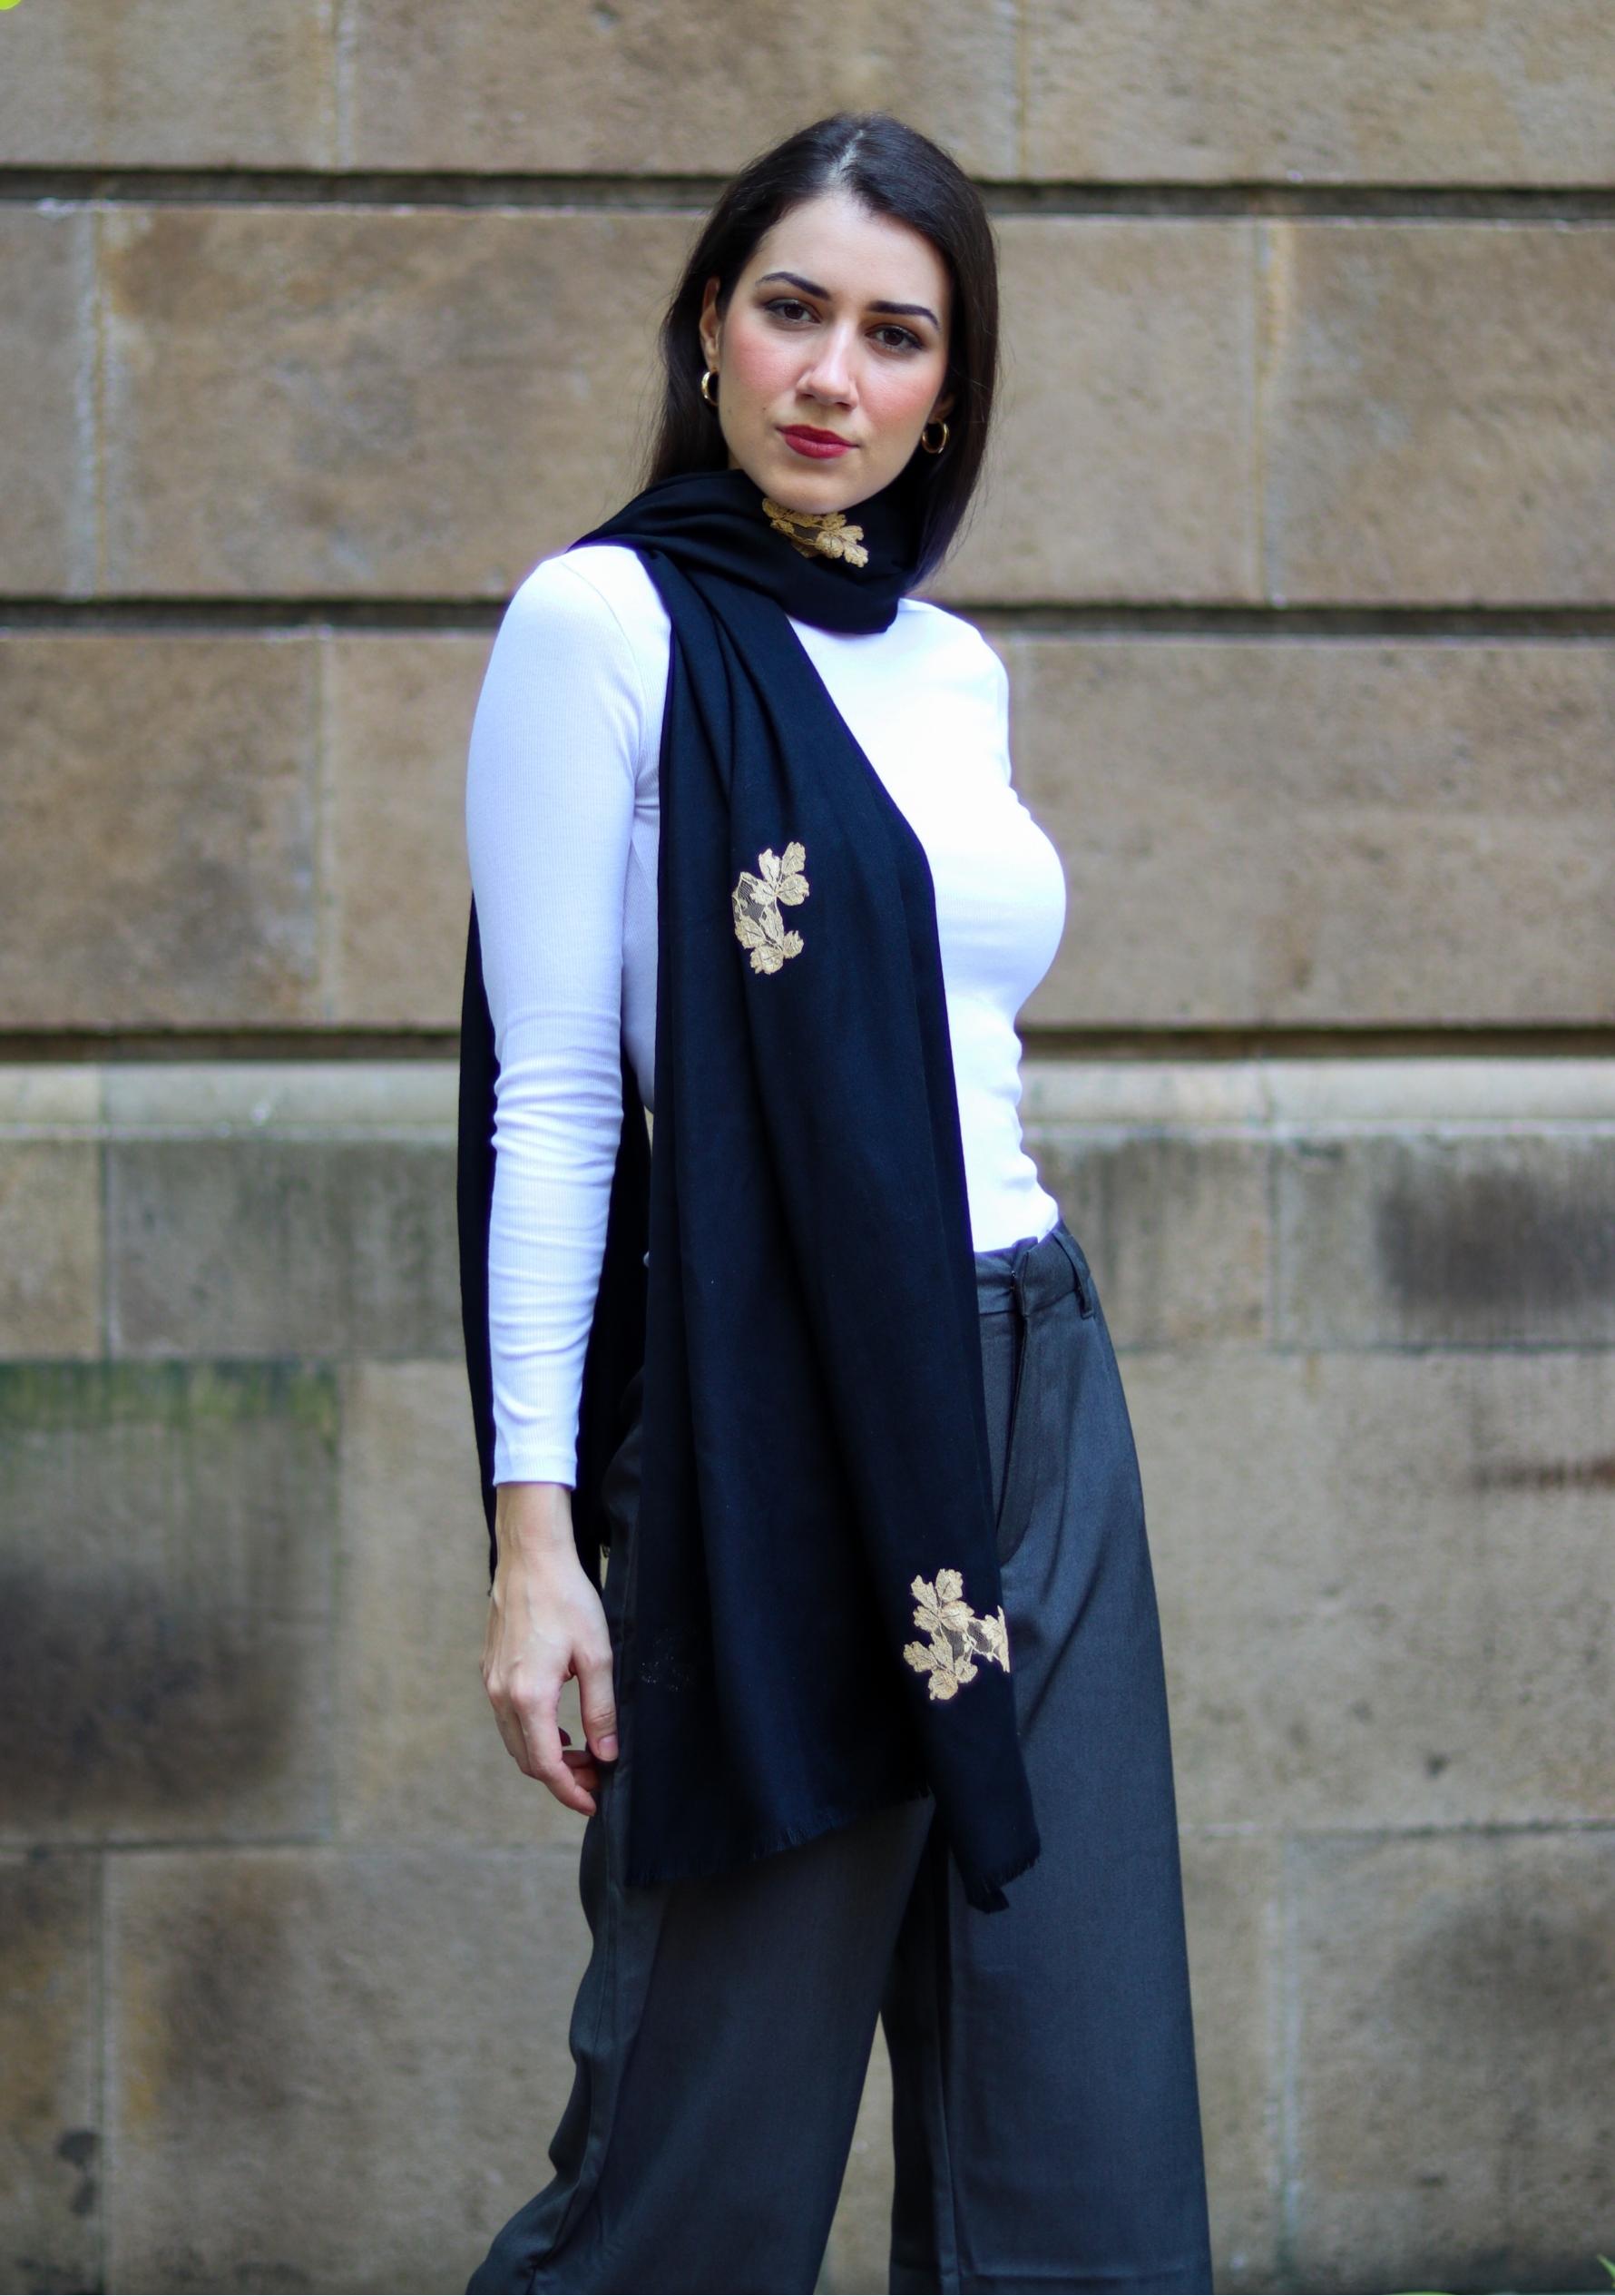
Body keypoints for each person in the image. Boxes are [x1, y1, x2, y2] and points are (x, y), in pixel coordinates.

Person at [456, 110, 1213, 2296]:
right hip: (773, 1426)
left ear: (945, 390)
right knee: (688, 2173)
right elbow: (560, 1101)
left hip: (1029, 1387)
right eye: (791, 309)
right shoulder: (601, 621)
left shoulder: (953, 668)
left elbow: (959, 1054)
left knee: (1072, 2142)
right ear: (708, 325)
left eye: (895, 336)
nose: (832, 376)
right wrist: (536, 1541)